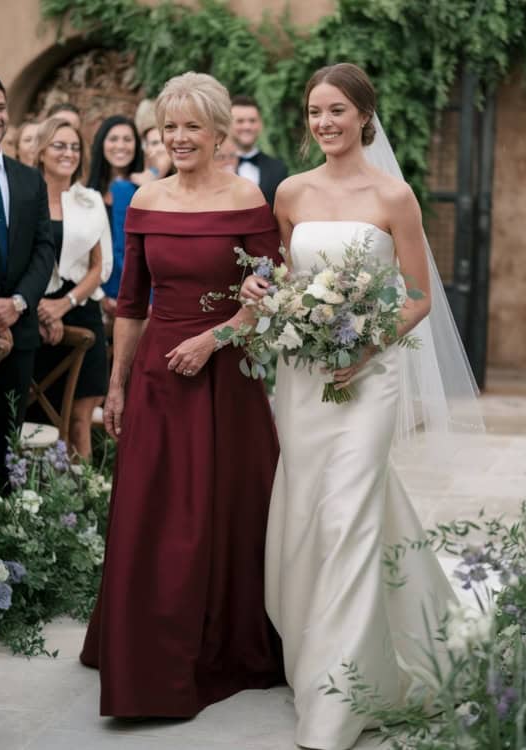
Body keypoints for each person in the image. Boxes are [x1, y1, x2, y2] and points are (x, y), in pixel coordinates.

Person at [240, 63, 475, 750]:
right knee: (313, 512)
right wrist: (263, 292)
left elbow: (418, 296)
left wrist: (367, 347)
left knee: (348, 513)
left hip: (368, 378)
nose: (324, 122)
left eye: (337, 110)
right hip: (303, 376)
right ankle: (367, 639)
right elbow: (278, 275)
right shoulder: (289, 192)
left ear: (364, 114)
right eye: (315, 111)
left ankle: (337, 697)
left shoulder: (393, 196)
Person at [80, 71, 284, 717]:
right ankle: (145, 653)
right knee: (152, 514)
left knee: (222, 512)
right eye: (170, 126)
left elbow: (272, 294)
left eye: (192, 125)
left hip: (227, 378)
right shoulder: (144, 201)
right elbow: (132, 305)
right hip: (159, 377)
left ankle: (220, 645)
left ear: (220, 132)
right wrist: (115, 383)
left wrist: (216, 338)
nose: (179, 137)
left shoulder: (248, 198)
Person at [30, 118, 112, 459]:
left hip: (81, 307)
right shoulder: (25, 195)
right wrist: (40, 311)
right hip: (32, 309)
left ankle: (84, 502)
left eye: (75, 147)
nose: (69, 153)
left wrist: (64, 304)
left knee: (79, 415)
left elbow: (100, 267)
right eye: (60, 145)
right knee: (35, 412)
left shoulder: (90, 201)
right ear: (42, 151)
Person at [0, 76, 55, 487]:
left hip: (20, 326)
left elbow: (44, 249)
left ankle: (9, 534)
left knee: (8, 444)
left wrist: (16, 303)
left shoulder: (30, 180)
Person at [87, 115, 143, 322]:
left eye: (127, 139)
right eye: (113, 139)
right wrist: (100, 295)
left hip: (138, 299)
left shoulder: (146, 190)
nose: (121, 146)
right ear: (101, 143)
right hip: (93, 295)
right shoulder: (86, 193)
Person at [230, 94, 288, 207]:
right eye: (240, 121)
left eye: (252, 121)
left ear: (260, 124)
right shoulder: (214, 166)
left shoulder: (278, 168)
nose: (247, 126)